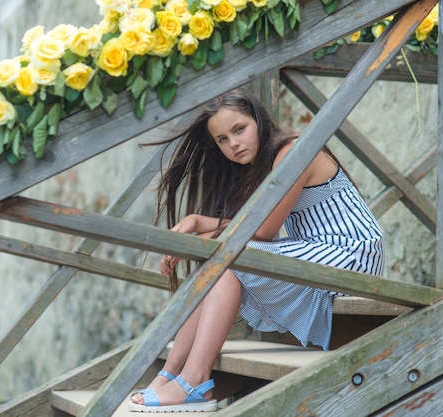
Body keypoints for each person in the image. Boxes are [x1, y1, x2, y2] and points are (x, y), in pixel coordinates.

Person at [128, 88, 384, 413]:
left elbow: (263, 231)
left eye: (239, 129)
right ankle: (170, 374)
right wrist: (195, 222)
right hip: (314, 250)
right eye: (222, 139)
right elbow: (249, 224)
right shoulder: (263, 161)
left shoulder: (293, 152)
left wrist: (202, 235)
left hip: (352, 253)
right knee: (221, 257)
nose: (233, 144)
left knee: (230, 258)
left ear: (259, 121)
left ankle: (194, 381)